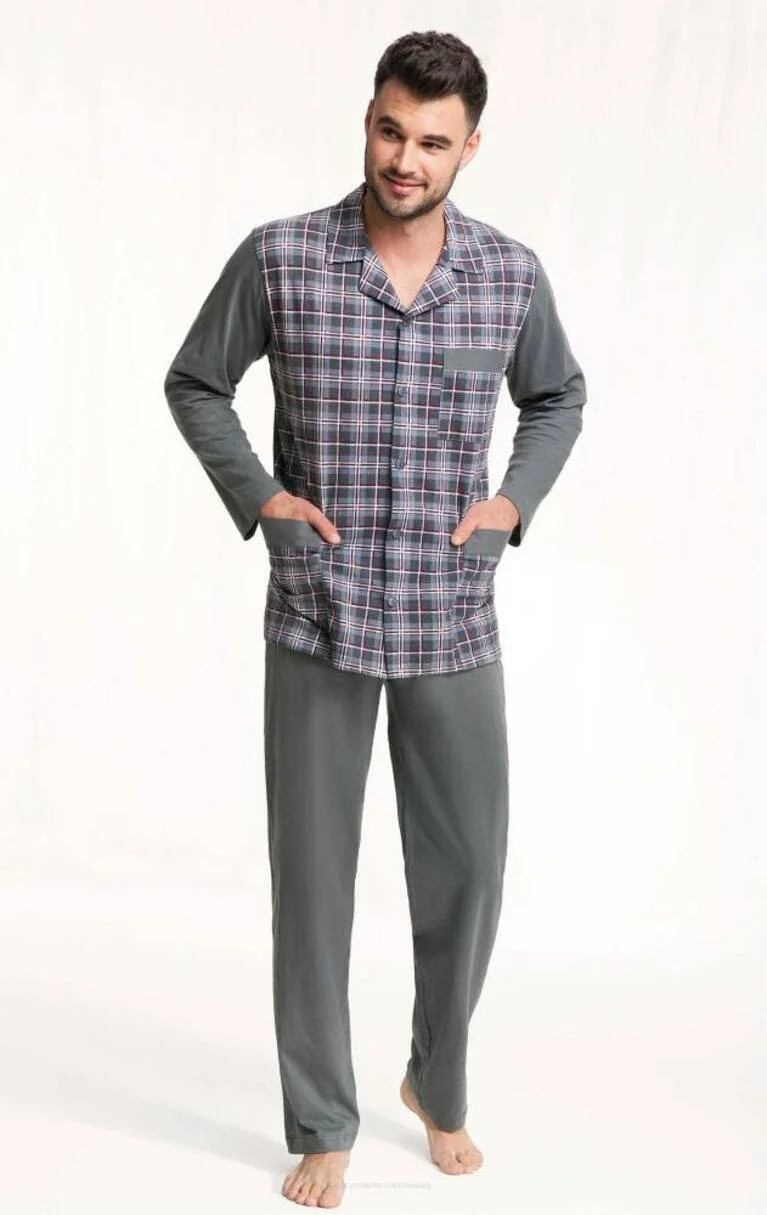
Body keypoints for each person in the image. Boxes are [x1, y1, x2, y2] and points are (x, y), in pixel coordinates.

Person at [163, 29, 586, 1209]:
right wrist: (261, 500)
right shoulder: (283, 258)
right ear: (367, 119)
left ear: (469, 148)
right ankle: (321, 1118)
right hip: (320, 611)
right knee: (312, 884)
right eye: (391, 131)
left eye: (432, 142)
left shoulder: (506, 275)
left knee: (468, 873)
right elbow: (195, 381)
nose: (405, 159)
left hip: (452, 616)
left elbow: (557, 396)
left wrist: (510, 505)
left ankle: (435, 1083)